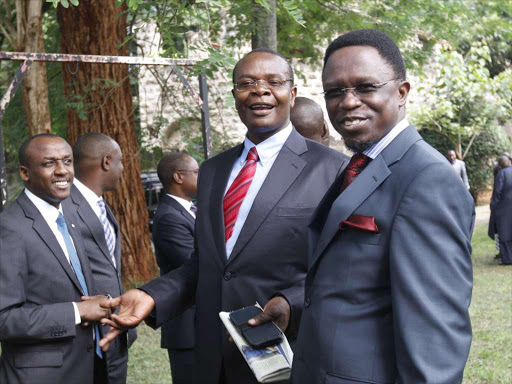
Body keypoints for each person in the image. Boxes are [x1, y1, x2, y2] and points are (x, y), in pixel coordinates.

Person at [100, 48, 348, 384]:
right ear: (235, 96)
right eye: (247, 83)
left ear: (291, 93)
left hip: (290, 354)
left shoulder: (332, 170)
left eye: (272, 82)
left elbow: (344, 267)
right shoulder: (214, 171)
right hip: (213, 360)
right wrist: (152, 295)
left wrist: (291, 303)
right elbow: (208, 265)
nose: (259, 90)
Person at [291, 29, 474, 384]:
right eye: (335, 91)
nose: (347, 102)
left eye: (365, 87)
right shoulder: (362, 165)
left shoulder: (426, 178)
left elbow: (434, 338)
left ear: (402, 92)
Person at [0, 134, 110, 384]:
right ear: (25, 173)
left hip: (91, 366)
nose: (63, 171)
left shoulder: (70, 217)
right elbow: (4, 319)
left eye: (67, 161)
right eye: (49, 163)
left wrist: (103, 304)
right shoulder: (8, 229)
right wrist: (77, 311)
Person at [62, 132, 136, 383]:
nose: (122, 168)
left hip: (112, 326)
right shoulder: (66, 205)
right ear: (106, 162)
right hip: (87, 333)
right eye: (121, 161)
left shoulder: (97, 204)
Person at [152, 152, 199, 384]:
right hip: (187, 327)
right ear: (179, 177)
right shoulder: (170, 217)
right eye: (197, 173)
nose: (202, 177)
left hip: (201, 323)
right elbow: (193, 265)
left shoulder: (190, 209)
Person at [490, 155, 512, 266]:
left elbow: (497, 193)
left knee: (504, 233)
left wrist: (493, 207)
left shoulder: (501, 174)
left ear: (500, 165)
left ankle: (507, 259)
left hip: (503, 209)